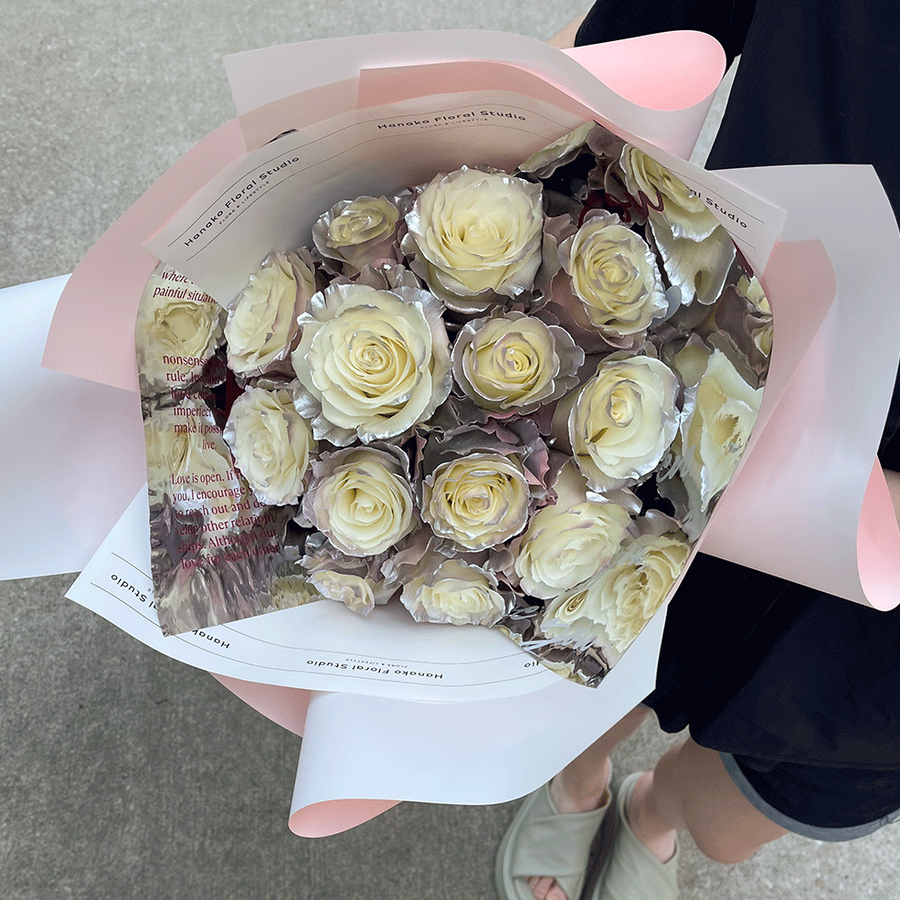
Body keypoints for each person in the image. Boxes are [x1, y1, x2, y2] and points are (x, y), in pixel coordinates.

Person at [495, 3, 900, 899]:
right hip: (756, 343)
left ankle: (655, 811)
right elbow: (655, 26)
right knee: (636, 609)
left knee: (780, 775)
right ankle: (578, 773)